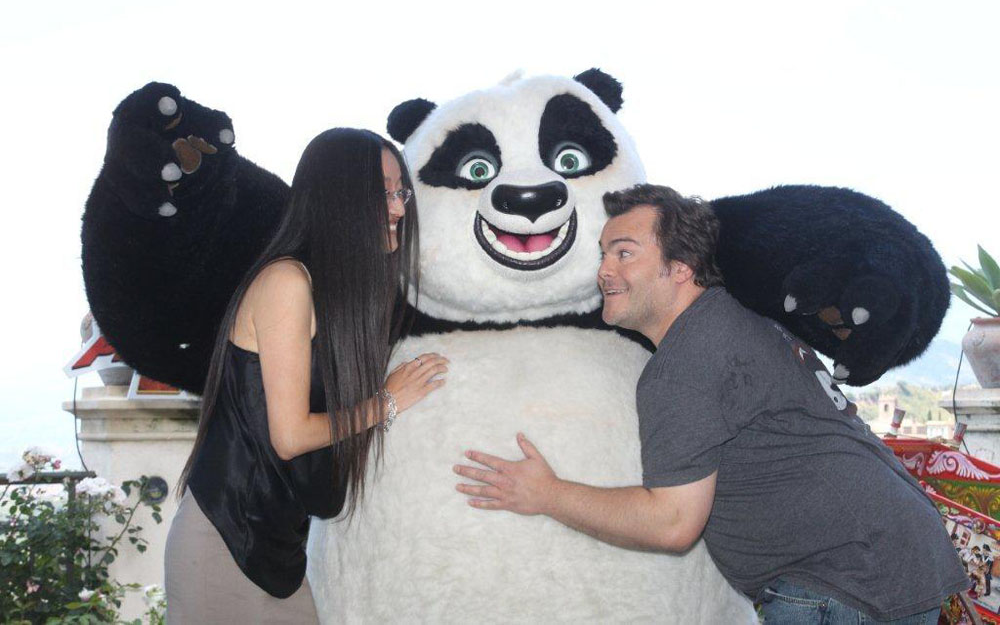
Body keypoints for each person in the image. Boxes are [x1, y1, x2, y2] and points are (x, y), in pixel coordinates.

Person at [454, 183, 968, 623]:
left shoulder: (690, 357)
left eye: (625, 253)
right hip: (891, 559)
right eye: (603, 253)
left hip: (843, 581)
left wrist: (547, 494)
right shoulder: (737, 320)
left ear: (681, 267)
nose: (605, 271)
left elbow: (672, 523)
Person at [165, 128, 448, 623]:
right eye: (383, 192)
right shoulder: (287, 281)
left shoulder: (334, 296)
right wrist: (388, 401)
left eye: (400, 190)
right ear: (340, 196)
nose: (400, 207)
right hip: (224, 543)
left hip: (277, 550)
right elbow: (291, 436)